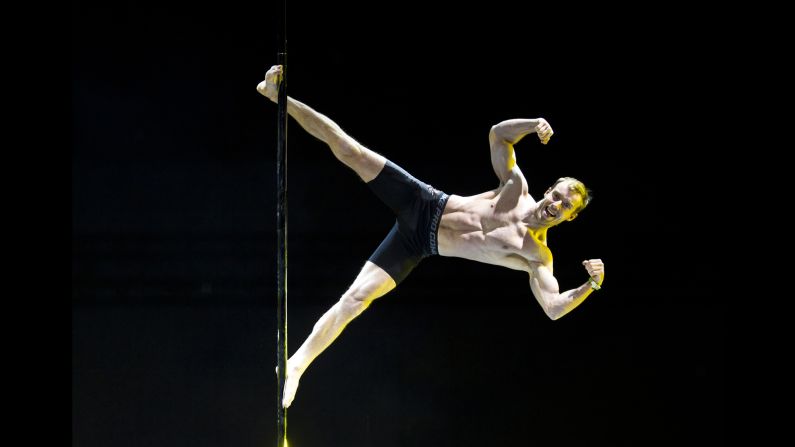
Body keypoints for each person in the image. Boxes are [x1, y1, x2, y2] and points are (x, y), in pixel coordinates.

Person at [257, 65, 604, 408]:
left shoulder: (537, 256)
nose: (555, 205)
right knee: (351, 150)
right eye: (556, 196)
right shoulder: (515, 187)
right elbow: (498, 134)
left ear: (570, 217)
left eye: (565, 206)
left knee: (356, 299)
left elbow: (554, 309)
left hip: (419, 243)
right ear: (548, 190)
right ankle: (276, 94)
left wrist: (591, 285)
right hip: (424, 201)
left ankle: (297, 364)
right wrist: (533, 124)